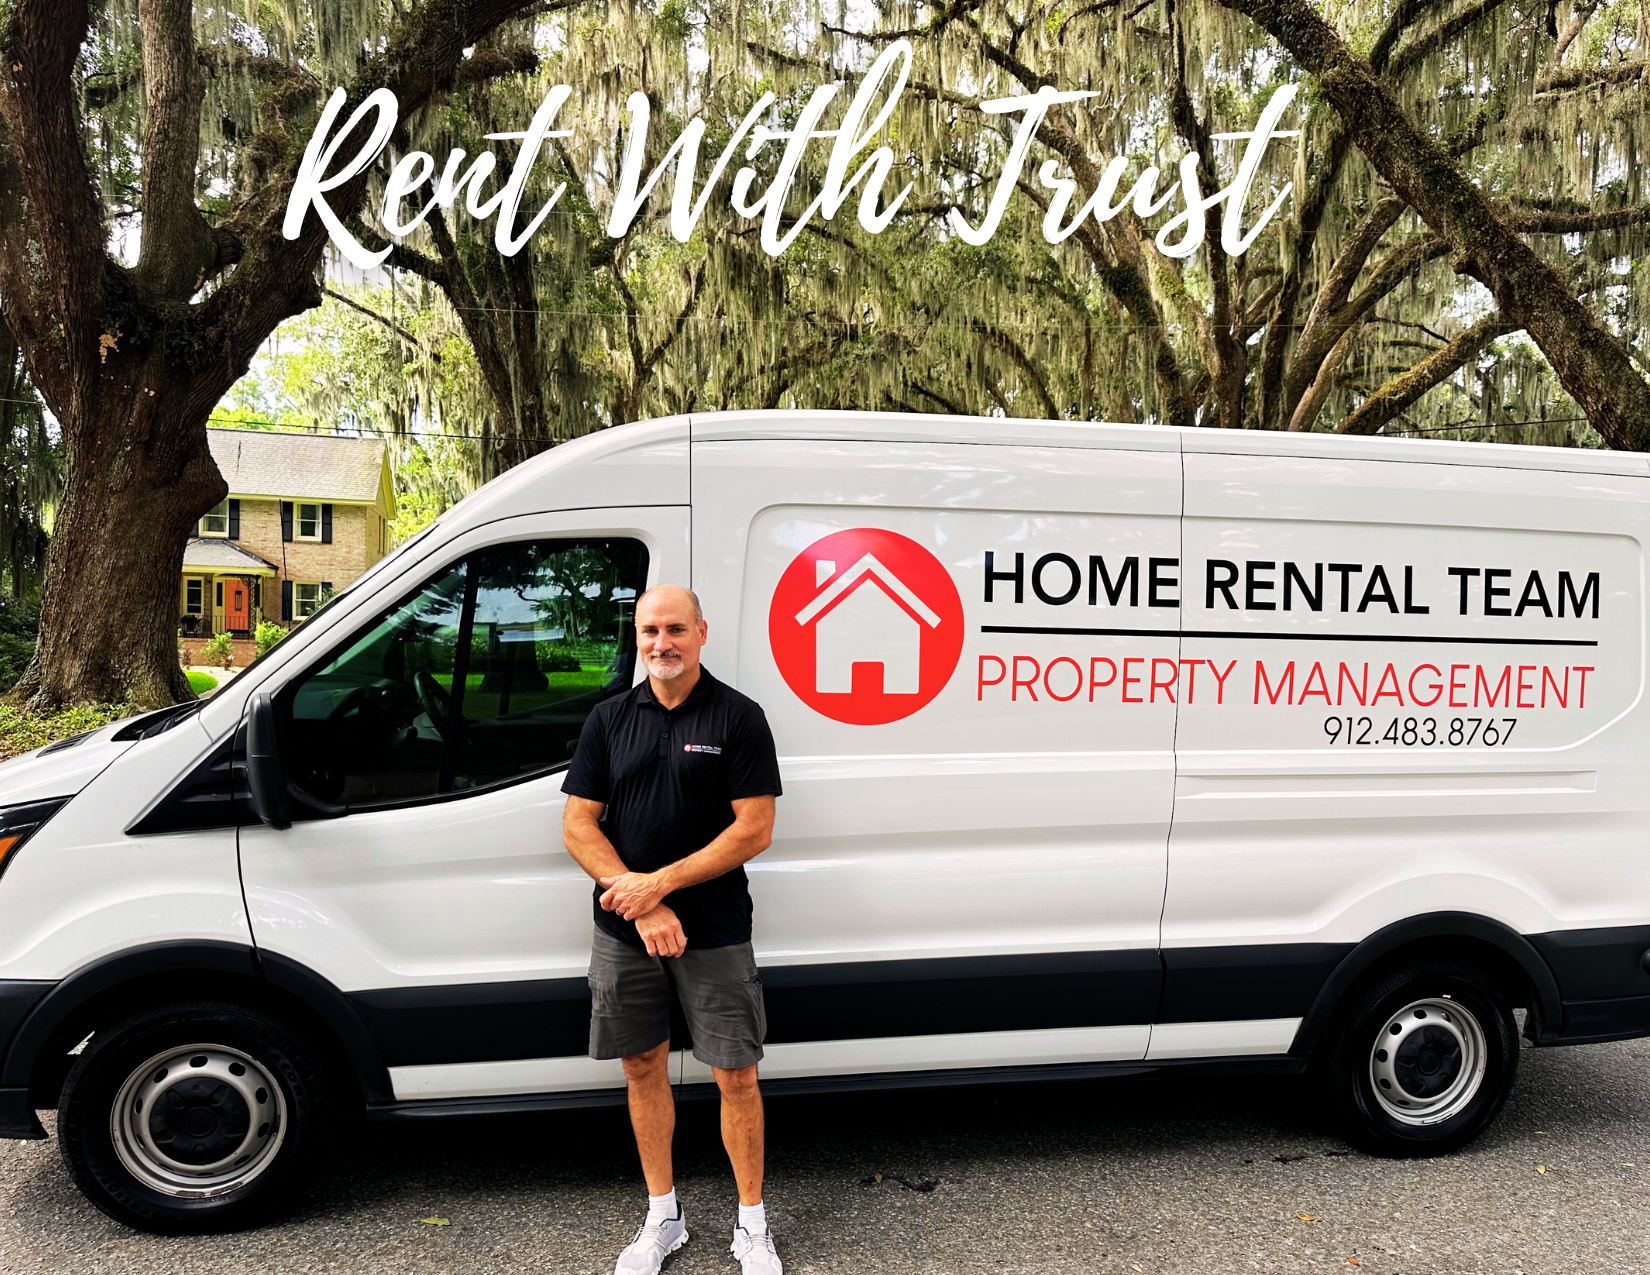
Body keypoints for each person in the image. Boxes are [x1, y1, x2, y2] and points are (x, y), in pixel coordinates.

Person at [562, 584, 784, 1275]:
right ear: (637, 636)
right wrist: (642, 902)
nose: (661, 643)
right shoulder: (608, 718)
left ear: (701, 632)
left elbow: (754, 828)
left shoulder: (739, 717)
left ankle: (753, 1225)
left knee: (737, 1075)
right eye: (649, 630)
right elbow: (578, 823)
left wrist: (662, 883)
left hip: (714, 929)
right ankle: (665, 1216)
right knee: (640, 1066)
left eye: (675, 629)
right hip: (626, 931)